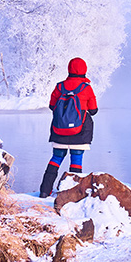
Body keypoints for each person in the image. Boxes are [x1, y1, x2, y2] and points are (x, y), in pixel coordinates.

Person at [38, 57, 99, 198]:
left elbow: (52, 106)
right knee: (76, 160)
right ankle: (73, 194)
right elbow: (94, 110)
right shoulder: (86, 88)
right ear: (84, 70)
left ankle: (45, 191)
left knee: (56, 158)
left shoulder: (59, 87)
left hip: (59, 130)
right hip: (80, 132)